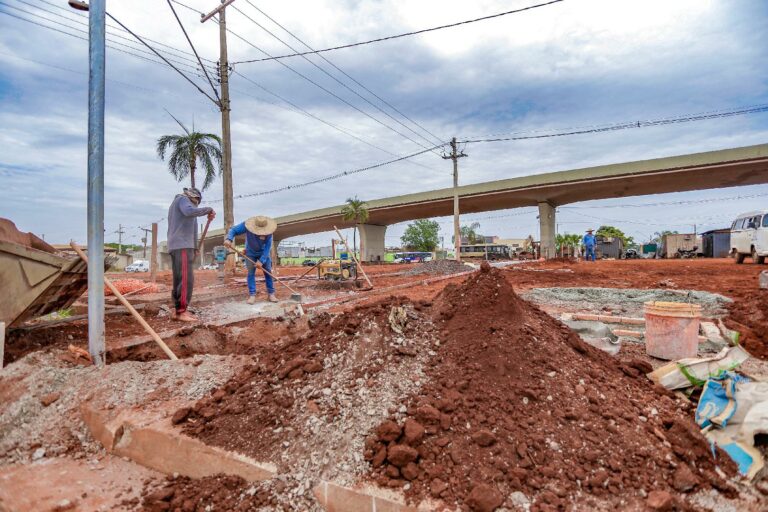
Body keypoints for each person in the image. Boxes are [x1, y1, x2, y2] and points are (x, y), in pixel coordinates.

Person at [167, 187, 215, 322]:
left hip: (181, 245)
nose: (195, 206)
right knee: (186, 279)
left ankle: (177, 310)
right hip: (181, 245)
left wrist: (195, 247)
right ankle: (181, 312)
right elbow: (189, 211)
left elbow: (192, 229)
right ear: (193, 197)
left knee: (179, 279)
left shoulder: (181, 206)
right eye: (195, 202)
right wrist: (208, 209)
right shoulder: (182, 199)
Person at [224, 215, 278, 304]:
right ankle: (252, 295)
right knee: (251, 273)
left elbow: (268, 247)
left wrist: (262, 260)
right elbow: (233, 230)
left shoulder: (269, 232)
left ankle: (271, 294)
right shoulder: (247, 226)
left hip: (263, 253)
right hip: (250, 253)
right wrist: (229, 239)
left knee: (268, 273)